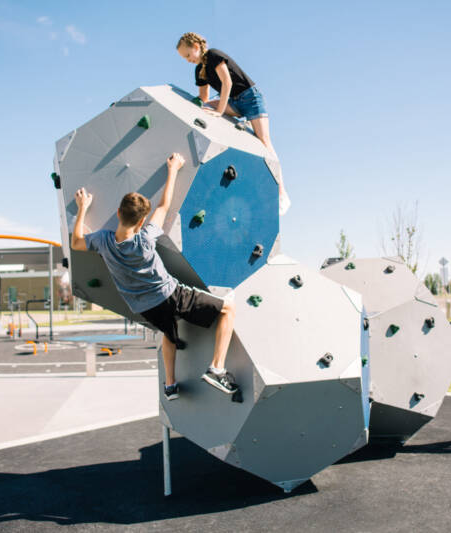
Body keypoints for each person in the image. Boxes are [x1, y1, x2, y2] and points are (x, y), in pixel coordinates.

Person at [70, 153, 239, 400]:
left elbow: (76, 242)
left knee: (169, 334)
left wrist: (82, 209)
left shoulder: (103, 241)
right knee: (228, 310)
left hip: (144, 307)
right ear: (141, 223)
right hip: (170, 295)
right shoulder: (145, 238)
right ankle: (217, 368)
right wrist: (173, 169)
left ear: (118, 213)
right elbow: (164, 206)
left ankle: (170, 386)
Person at [176, 31, 291, 215]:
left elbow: (227, 83)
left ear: (196, 47)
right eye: (184, 58)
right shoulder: (199, 71)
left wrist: (219, 112)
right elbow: (203, 98)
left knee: (265, 141)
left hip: (249, 98)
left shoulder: (213, 55)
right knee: (205, 107)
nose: (188, 59)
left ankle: (282, 193)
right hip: (233, 103)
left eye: (188, 55)